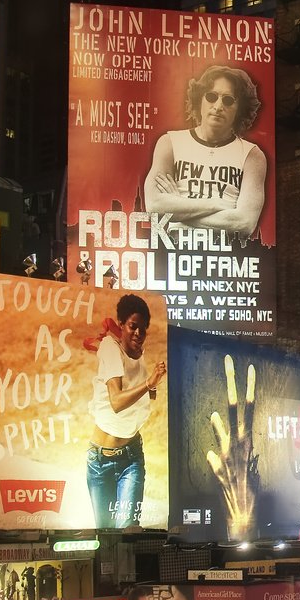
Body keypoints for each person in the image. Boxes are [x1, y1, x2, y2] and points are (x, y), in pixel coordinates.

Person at [144, 65, 268, 241]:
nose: (218, 106)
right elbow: (154, 206)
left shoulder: (252, 156)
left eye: (228, 100)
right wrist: (220, 204)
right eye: (211, 97)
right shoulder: (169, 142)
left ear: (240, 109)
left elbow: (244, 223)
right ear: (199, 99)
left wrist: (178, 206)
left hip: (227, 258)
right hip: (176, 254)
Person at [84, 292, 166, 528]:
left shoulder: (140, 354)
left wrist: (151, 388)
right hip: (100, 460)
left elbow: (141, 391)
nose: (138, 333)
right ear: (121, 324)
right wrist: (149, 384)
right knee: (106, 536)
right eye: (133, 326)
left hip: (131, 457)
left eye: (143, 328)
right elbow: (117, 402)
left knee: (128, 531)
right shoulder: (111, 348)